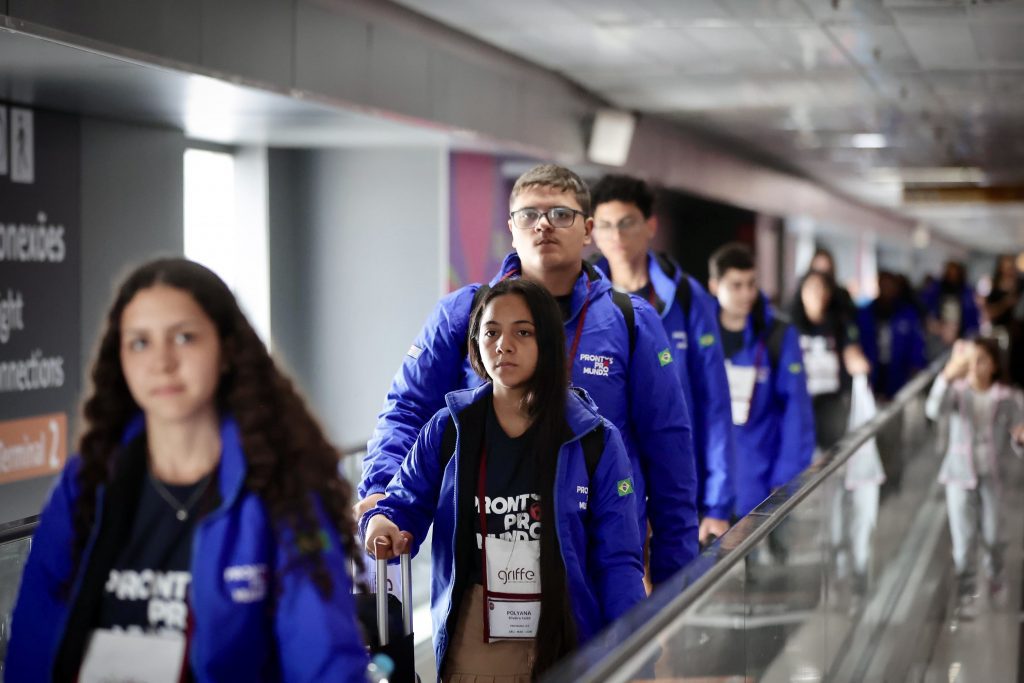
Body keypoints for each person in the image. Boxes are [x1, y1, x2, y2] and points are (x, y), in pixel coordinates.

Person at [6, 259, 368, 682]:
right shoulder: (87, 482)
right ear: (119, 357)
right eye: (140, 342)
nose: (161, 362)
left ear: (227, 350)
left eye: (184, 337)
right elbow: (32, 643)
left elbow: (323, 658)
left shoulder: (280, 488)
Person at [358, 164, 699, 587]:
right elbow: (408, 410)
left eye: (561, 214)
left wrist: (677, 576)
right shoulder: (463, 315)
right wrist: (381, 494)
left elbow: (669, 448)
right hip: (482, 556)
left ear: (587, 229)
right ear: (511, 229)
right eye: (529, 214)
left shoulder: (631, 322)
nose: (544, 225)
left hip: (597, 556)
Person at [363, 279, 645, 680]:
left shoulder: (594, 439)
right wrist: (380, 523)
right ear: (475, 342)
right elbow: (399, 505)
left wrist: (637, 649)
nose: (503, 344)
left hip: (567, 634)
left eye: (523, 332)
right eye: (491, 332)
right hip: (476, 638)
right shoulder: (449, 430)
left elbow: (618, 561)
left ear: (546, 342)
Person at [588, 173, 733, 546]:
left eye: (626, 223)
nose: (616, 237)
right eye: (604, 225)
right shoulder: (582, 299)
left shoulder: (687, 298)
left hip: (674, 471)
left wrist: (717, 503)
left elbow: (714, 402)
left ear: (651, 225)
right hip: (606, 475)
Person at [708, 243, 815, 520]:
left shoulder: (776, 335)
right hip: (707, 480)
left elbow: (796, 410)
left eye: (751, 284)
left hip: (760, 475)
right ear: (714, 286)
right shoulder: (699, 335)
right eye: (736, 286)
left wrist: (787, 477)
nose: (747, 294)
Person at [790, 270, 881, 592]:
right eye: (810, 288)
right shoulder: (788, 327)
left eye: (822, 288)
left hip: (831, 416)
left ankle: (841, 560)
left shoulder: (840, 325)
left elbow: (852, 352)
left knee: (835, 489)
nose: (817, 295)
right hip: (799, 415)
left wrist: (857, 362)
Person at [925, 337, 1024, 603]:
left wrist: (1019, 439)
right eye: (971, 361)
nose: (975, 367)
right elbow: (933, 409)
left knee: (993, 533)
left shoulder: (1007, 398)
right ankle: (966, 590)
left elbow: (1019, 436)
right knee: (963, 538)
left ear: (993, 365)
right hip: (958, 475)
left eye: (982, 360)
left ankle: (995, 575)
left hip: (991, 476)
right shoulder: (957, 393)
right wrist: (946, 376)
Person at [857, 271, 927, 494]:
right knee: (871, 440)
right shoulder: (866, 313)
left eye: (891, 285)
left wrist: (914, 375)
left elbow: (917, 349)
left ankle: (893, 481)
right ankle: (874, 485)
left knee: (894, 438)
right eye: (883, 285)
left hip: (896, 386)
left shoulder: (907, 314)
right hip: (871, 386)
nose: (887, 290)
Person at [984, 254, 1024, 387]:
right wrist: (1006, 303)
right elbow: (989, 311)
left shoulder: (1018, 284)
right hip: (1000, 332)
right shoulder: (994, 286)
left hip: (1017, 332)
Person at [922, 261, 980, 351]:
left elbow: (973, 317)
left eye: (955, 273)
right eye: (950, 273)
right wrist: (935, 324)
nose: (953, 276)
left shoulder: (967, 292)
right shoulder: (936, 289)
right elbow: (924, 307)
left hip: (961, 335)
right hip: (937, 334)